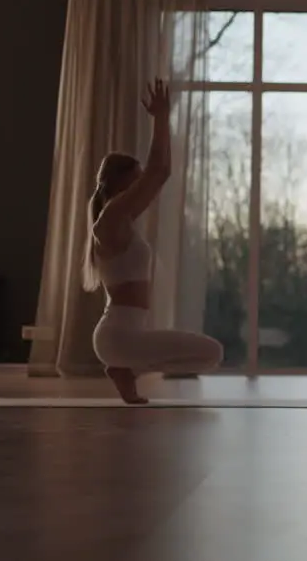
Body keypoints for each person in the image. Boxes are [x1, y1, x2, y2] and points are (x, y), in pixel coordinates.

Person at [82, 79, 224, 404]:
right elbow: (160, 171)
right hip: (119, 337)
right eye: (136, 177)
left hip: (124, 336)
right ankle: (127, 370)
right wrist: (161, 118)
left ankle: (126, 371)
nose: (141, 184)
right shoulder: (112, 217)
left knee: (209, 355)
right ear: (120, 183)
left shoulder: (118, 220)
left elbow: (158, 173)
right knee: (212, 352)